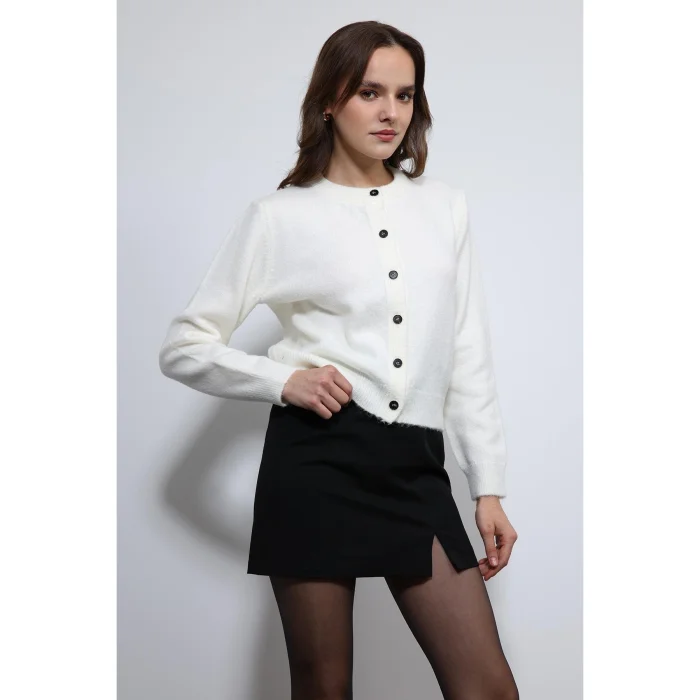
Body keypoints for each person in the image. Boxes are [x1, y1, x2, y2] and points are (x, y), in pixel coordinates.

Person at [159, 20, 519, 700]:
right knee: (324, 687)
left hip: (415, 466)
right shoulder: (279, 217)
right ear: (330, 101)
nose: (390, 113)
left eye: (405, 95)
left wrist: (488, 487)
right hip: (316, 462)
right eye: (370, 93)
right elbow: (184, 345)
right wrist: (282, 380)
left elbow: (466, 353)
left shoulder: (444, 208)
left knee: (487, 688)